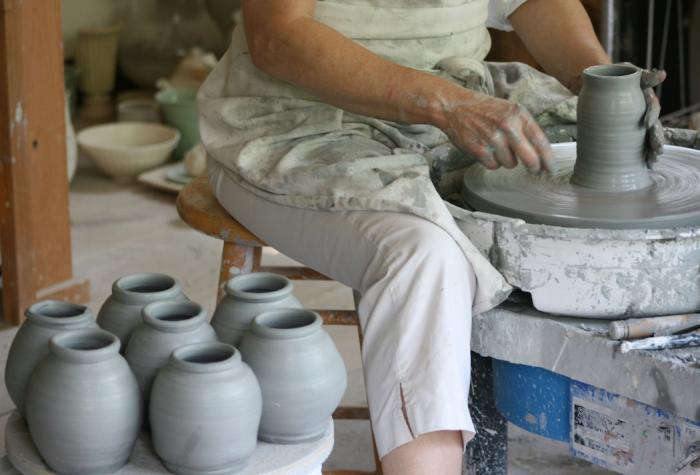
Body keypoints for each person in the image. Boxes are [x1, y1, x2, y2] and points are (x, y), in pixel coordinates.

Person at [198, 1, 664, 473]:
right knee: (421, 256)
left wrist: (592, 79)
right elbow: (277, 37)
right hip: (294, 118)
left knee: (615, 164)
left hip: (454, 97)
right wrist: (443, 103)